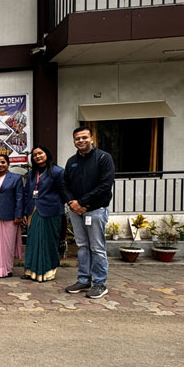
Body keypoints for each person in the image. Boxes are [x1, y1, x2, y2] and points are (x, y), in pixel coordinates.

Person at [62, 126, 115, 299]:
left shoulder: (103, 158)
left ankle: (100, 283)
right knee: (82, 246)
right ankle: (84, 279)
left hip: (96, 210)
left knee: (97, 248)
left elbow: (105, 185)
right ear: (74, 141)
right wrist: (72, 202)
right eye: (77, 138)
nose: (81, 141)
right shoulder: (71, 161)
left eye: (84, 137)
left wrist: (83, 203)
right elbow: (65, 185)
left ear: (91, 138)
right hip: (76, 211)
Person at [22, 145, 65, 283]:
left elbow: (64, 192)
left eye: (40, 153)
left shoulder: (58, 172)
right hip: (33, 211)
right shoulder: (32, 173)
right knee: (33, 241)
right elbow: (27, 193)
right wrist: (25, 212)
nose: (37, 156)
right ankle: (31, 271)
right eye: (34, 155)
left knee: (48, 242)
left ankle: (47, 271)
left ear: (47, 154)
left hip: (51, 211)